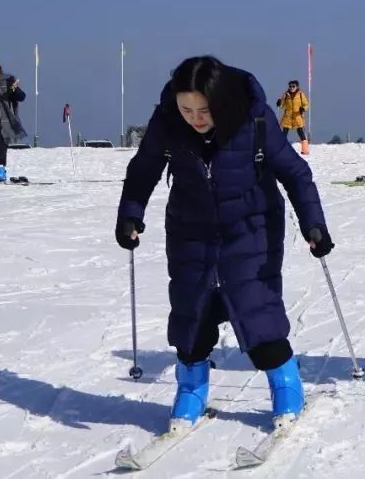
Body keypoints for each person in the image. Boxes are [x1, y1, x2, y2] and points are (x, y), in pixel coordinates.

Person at [115, 56, 333, 434]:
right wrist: (130, 213)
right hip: (190, 228)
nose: (195, 118)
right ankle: (191, 390)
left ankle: (286, 384)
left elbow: (295, 174)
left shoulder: (255, 118)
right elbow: (144, 167)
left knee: (256, 310)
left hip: (251, 227)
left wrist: (314, 224)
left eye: (204, 109)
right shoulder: (168, 120)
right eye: (187, 109)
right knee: (190, 314)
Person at [276, 80, 310, 155]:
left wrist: (303, 109)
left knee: (300, 132)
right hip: (288, 116)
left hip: (297, 116)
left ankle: (305, 150)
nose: (291, 88)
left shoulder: (301, 94)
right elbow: (282, 106)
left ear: (297, 86)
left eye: (293, 86)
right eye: (290, 86)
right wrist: (279, 103)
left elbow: (306, 104)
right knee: (284, 133)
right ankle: (281, 149)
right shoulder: (286, 94)